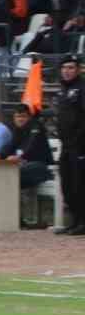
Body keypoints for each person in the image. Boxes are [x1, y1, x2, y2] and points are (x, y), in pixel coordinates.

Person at [59, 55, 85, 233]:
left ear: (78, 70)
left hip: (80, 144)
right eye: (64, 68)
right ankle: (75, 221)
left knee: (80, 184)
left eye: (71, 68)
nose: (67, 71)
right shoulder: (63, 90)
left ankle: (82, 222)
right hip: (66, 144)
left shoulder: (82, 89)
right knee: (67, 184)